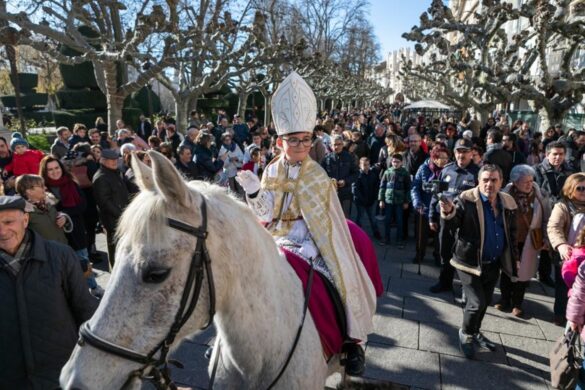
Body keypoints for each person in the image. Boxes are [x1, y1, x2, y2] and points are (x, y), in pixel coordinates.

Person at [236, 72, 376, 377]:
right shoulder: (271, 170)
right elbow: (265, 211)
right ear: (279, 142)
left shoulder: (316, 175)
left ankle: (351, 343)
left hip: (312, 239)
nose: (301, 145)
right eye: (294, 140)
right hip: (276, 235)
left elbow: (325, 221)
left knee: (339, 278)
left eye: (306, 139)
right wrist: (253, 191)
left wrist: (314, 243)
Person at [0, 195, 98, 388]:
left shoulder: (60, 255)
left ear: (25, 220)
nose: (2, 231)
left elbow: (85, 309)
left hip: (62, 375)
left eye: (8, 222)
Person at [439, 164, 518, 359]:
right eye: (485, 180)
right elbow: (453, 223)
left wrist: (513, 256)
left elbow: (512, 232)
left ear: (501, 182)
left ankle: (475, 331)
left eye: (493, 180)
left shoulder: (507, 201)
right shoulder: (467, 199)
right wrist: (448, 211)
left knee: (486, 302)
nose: (489, 184)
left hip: (494, 262)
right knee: (476, 302)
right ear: (478, 181)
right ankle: (465, 333)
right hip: (468, 262)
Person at [39, 156, 103, 298]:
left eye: (57, 168)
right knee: (65, 267)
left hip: (76, 230)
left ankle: (93, 287)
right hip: (55, 234)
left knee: (83, 261)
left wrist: (65, 214)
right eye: (50, 170)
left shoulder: (71, 183)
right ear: (45, 172)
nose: (55, 172)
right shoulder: (42, 188)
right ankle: (75, 295)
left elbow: (82, 205)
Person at [498, 165, 550, 317]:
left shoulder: (541, 196)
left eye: (531, 180)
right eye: (524, 181)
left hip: (529, 241)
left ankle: (517, 303)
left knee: (523, 273)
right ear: (514, 182)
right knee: (507, 271)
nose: (529, 184)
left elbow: (547, 218)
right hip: (509, 240)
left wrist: (546, 238)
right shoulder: (505, 194)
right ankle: (504, 299)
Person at [429, 138, 480, 293]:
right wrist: (431, 215)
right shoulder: (447, 170)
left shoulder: (478, 173)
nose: (461, 155)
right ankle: (445, 282)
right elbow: (437, 193)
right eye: (458, 151)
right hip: (446, 218)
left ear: (472, 153)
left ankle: (467, 287)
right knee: (444, 251)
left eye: (465, 151)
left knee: (464, 254)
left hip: (467, 222)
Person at [536, 141, 575, 288]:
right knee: (536, 243)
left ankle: (544, 274)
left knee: (550, 246)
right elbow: (538, 192)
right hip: (541, 212)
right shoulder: (537, 170)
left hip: (561, 214)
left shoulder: (569, 171)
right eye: (555, 154)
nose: (558, 157)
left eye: (561, 154)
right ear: (547, 155)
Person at [548, 173, 585, 326]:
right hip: (568, 255)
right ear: (570, 189)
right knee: (563, 288)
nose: (584, 191)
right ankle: (560, 313)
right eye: (580, 188)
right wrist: (561, 245)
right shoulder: (562, 206)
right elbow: (554, 227)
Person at [411, 144, 450, 265]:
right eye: (440, 157)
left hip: (441, 208)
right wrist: (417, 202)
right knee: (421, 235)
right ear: (433, 157)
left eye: (446, 158)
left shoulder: (449, 170)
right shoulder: (424, 168)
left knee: (441, 235)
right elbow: (415, 187)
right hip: (424, 206)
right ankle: (419, 253)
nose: (444, 160)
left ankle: (438, 256)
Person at [92, 149, 130, 270]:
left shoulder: (115, 172)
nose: (114, 162)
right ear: (103, 161)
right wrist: (123, 216)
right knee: (116, 251)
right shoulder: (101, 177)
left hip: (123, 217)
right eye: (110, 160)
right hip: (114, 221)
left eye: (115, 159)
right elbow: (105, 203)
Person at [321, 134, 359, 218]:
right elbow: (321, 175)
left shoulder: (349, 157)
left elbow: (356, 173)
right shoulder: (326, 159)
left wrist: (346, 181)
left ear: (342, 145)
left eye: (339, 144)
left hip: (346, 193)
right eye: (334, 144)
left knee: (345, 218)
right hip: (331, 194)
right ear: (331, 145)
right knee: (333, 218)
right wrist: (330, 181)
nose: (337, 146)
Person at [378, 153, 411, 248]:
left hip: (400, 201)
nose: (395, 163)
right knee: (387, 220)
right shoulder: (387, 172)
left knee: (399, 221)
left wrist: (406, 201)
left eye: (397, 162)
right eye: (393, 161)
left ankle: (399, 240)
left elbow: (408, 188)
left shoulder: (405, 173)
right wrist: (381, 200)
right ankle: (386, 238)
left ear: (401, 162)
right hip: (388, 200)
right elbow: (382, 186)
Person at [352, 157, 381, 239]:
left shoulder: (373, 174)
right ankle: (357, 234)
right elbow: (355, 189)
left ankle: (376, 232)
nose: (366, 167)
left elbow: (376, 186)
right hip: (360, 201)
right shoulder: (357, 175)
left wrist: (374, 198)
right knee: (360, 218)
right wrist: (362, 199)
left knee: (372, 218)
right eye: (364, 165)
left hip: (371, 200)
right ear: (360, 165)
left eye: (368, 165)